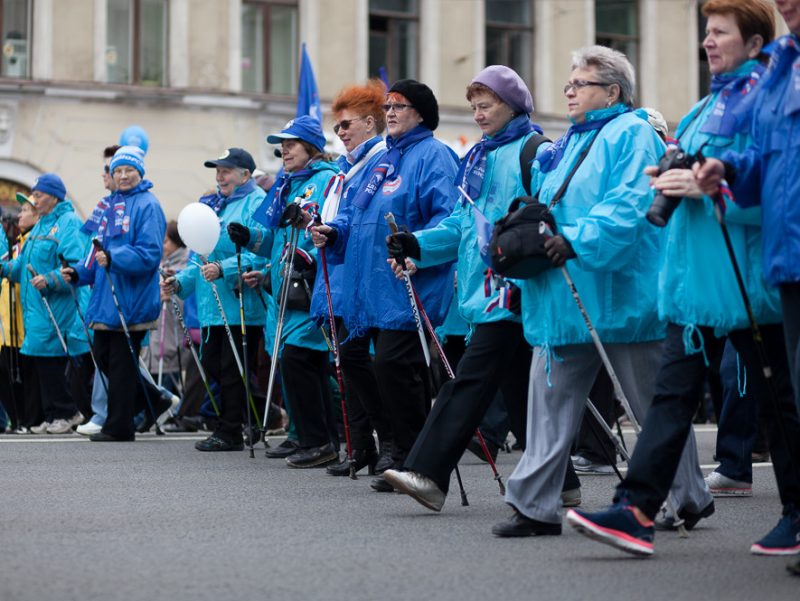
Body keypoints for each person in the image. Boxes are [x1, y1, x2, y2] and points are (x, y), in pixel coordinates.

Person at [569, 0, 800, 557]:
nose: (708, 42)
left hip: (745, 282)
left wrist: (715, 188)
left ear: (752, 41)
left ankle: (794, 514)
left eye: (720, 32)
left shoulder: (762, 95)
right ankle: (636, 510)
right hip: (694, 281)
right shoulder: (708, 104)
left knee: (779, 402)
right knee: (671, 397)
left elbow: (774, 189)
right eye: (706, 33)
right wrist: (671, 175)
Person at [382, 65, 579, 511]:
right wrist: (418, 242)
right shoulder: (480, 156)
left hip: (514, 289)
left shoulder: (536, 150)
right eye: (473, 106)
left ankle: (428, 473)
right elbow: (460, 224)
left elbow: (550, 217)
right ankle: (563, 482)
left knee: (467, 383)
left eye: (485, 105)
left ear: (512, 106)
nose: (477, 114)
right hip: (482, 289)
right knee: (522, 394)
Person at [489, 46, 666, 537]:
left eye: (579, 83)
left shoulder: (631, 133)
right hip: (564, 293)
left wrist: (576, 240)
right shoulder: (568, 140)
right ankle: (535, 505)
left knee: (651, 407)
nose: (568, 90)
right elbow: (551, 209)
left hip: (619, 295)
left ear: (612, 91)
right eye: (568, 83)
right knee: (548, 405)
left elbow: (630, 203)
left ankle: (682, 497)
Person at [691, 0, 800, 564]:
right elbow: (766, 161)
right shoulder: (784, 65)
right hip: (787, 257)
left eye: (720, 32)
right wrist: (727, 171)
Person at [311, 80, 458, 491]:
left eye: (399, 106)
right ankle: (400, 450)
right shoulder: (383, 162)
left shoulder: (434, 155)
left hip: (407, 283)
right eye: (388, 105)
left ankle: (415, 458)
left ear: (422, 113)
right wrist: (332, 233)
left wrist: (419, 251)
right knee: (370, 362)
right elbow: (356, 218)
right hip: (371, 286)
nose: (390, 112)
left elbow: (448, 219)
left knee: (394, 366)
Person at [228, 118, 343, 468]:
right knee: (300, 364)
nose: (284, 151)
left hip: (310, 286)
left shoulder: (327, 179)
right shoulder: (287, 185)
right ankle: (311, 437)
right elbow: (276, 242)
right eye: (282, 145)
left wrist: (306, 224)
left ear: (310, 146)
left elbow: (328, 228)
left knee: (300, 360)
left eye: (291, 144)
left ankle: (318, 440)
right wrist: (249, 238)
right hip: (284, 290)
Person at [307, 80, 393, 476]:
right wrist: (325, 229)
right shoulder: (348, 169)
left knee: (365, 364)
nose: (339, 133)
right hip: (340, 277)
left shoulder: (380, 162)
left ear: (372, 124)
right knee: (347, 365)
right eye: (337, 126)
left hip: (366, 279)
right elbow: (343, 219)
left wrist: (336, 230)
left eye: (346, 124)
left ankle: (388, 444)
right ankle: (361, 448)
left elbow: (365, 219)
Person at [164, 148, 266, 452]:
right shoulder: (214, 205)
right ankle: (261, 415)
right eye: (217, 171)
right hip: (211, 307)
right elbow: (199, 254)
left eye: (226, 170)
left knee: (232, 371)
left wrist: (224, 269)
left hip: (239, 304)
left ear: (245, 175)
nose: (220, 176)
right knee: (213, 365)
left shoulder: (256, 202)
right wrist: (179, 282)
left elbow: (259, 252)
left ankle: (230, 430)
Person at [62, 146, 166, 442]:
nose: (122, 176)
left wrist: (115, 257)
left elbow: (150, 254)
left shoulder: (148, 205)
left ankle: (119, 427)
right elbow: (95, 251)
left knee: (120, 365)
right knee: (105, 360)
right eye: (117, 171)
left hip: (130, 299)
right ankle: (154, 400)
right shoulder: (108, 206)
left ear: (140, 173)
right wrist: (80, 273)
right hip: (105, 299)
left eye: (128, 170)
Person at [1, 174, 89, 435]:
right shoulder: (40, 226)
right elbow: (21, 269)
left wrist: (50, 280)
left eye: (39, 195)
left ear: (54, 196)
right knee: (37, 359)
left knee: (49, 359)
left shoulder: (68, 222)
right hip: (35, 308)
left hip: (55, 305)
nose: (35, 199)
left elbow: (75, 266)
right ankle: (50, 414)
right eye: (34, 194)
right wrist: (4, 269)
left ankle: (68, 411)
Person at [0, 194, 36, 432]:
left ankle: (22, 418)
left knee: (16, 370)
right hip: (8, 316)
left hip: (20, 320)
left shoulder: (32, 240)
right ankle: (16, 418)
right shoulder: (20, 241)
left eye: (25, 210)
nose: (18, 215)